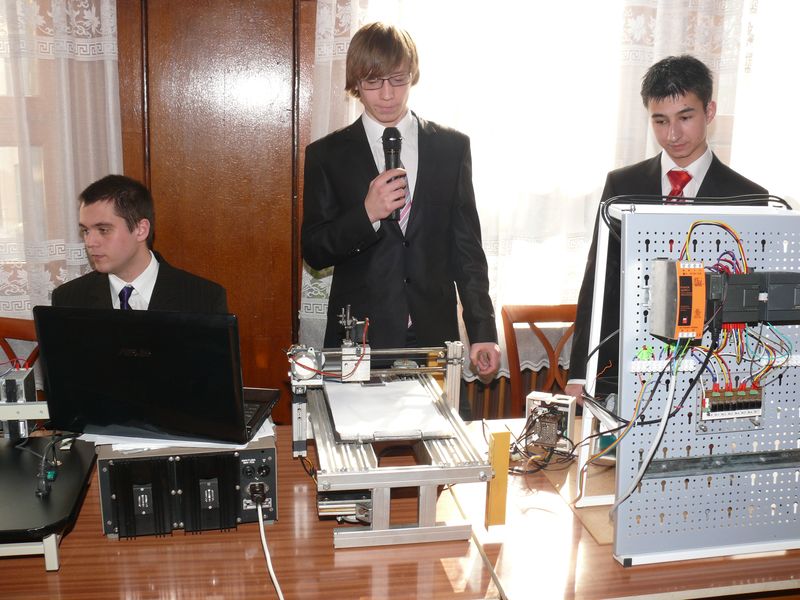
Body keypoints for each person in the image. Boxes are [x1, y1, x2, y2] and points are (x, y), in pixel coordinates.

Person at [302, 22, 500, 378]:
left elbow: (467, 248)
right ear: (356, 82)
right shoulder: (326, 155)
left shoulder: (451, 147)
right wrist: (366, 214)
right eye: (373, 82)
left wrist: (483, 330)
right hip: (359, 337)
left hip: (434, 335)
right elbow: (315, 251)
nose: (387, 94)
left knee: (443, 418)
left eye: (398, 79)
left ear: (413, 75)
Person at [566, 54, 767, 402]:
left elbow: (751, 302)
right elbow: (599, 282)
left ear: (709, 112)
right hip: (627, 364)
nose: (672, 134)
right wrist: (581, 372)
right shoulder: (622, 185)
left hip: (711, 369)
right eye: (660, 121)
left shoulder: (749, 197)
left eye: (685, 118)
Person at [52, 174, 227, 312]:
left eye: (103, 230)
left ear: (141, 230)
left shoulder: (203, 299)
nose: (90, 242)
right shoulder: (68, 299)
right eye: (86, 231)